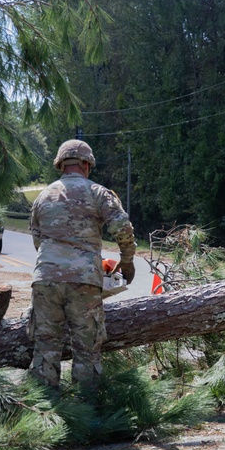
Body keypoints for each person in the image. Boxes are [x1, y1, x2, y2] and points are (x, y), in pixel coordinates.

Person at [28, 139, 136, 398]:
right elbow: (122, 228)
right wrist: (127, 261)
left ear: (61, 165)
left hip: (45, 280)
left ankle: (43, 413)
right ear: (86, 165)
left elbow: (37, 239)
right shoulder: (98, 192)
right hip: (84, 282)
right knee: (87, 350)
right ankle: (86, 412)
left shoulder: (42, 196)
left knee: (45, 348)